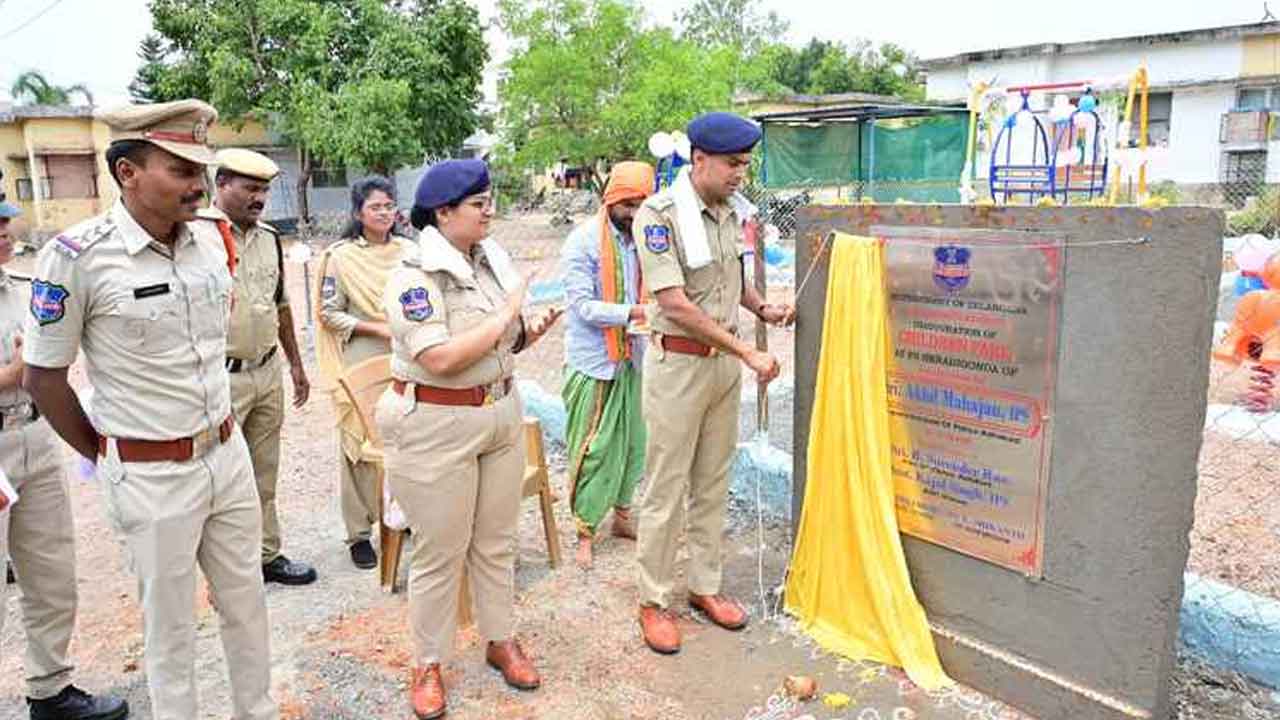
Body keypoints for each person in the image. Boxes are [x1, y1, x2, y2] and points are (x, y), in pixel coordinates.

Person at [22, 100, 277, 719]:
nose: (198, 185)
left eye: (201, 171)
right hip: (151, 475)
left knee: (247, 603)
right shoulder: (78, 256)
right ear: (127, 172)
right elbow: (43, 377)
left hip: (226, 455)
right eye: (181, 170)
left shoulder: (210, 240)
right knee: (170, 629)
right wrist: (107, 453)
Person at [375, 159, 560, 720]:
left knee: (497, 541)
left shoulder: (487, 262)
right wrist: (508, 312)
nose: (490, 211)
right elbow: (440, 357)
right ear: (443, 212)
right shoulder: (415, 276)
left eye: (489, 200)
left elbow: (499, 342)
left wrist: (526, 332)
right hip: (436, 424)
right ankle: (428, 663)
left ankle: (500, 639)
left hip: (498, 412)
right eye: (479, 204)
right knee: (440, 552)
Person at [632, 112, 795, 655]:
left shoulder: (729, 211)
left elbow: (733, 281)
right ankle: (653, 600)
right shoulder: (660, 215)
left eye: (745, 164)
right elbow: (674, 302)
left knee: (712, 482)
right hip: (679, 366)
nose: (740, 174)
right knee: (666, 486)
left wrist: (763, 309)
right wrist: (746, 350)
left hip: (721, 367)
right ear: (699, 159)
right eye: (732, 164)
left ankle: (704, 585)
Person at [0, 203, 129, 720]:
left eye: (4, 223)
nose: (4, 233)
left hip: (34, 435)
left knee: (50, 572)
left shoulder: (23, 287)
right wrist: (14, 373)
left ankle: (50, 687)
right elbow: (29, 366)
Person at [193, 148, 316, 586]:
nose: (259, 198)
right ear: (221, 184)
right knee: (219, 476)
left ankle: (267, 555)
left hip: (266, 372)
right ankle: (226, 568)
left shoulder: (269, 238)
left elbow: (280, 305)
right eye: (249, 188)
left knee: (264, 472)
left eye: (264, 190)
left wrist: (295, 365)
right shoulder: (195, 237)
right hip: (219, 378)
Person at [559, 160, 655, 569]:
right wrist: (635, 312)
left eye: (642, 205)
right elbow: (583, 306)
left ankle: (622, 516)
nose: (634, 213)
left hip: (635, 358)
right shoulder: (582, 242)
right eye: (628, 205)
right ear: (610, 200)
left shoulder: (647, 239)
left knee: (634, 444)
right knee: (594, 448)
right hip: (595, 362)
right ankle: (585, 529)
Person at [315, 176, 409, 570]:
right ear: (358, 213)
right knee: (359, 443)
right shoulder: (341, 258)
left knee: (405, 436)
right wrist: (376, 328)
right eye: (375, 207)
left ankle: (402, 516)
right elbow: (328, 313)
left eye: (389, 205)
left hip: (407, 354)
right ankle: (358, 534)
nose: (384, 213)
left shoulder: (410, 251)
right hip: (364, 353)